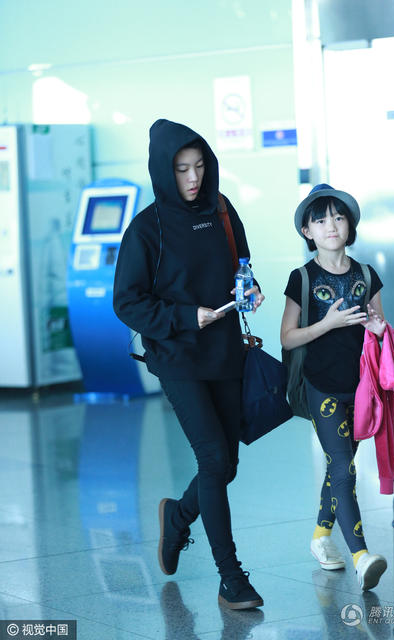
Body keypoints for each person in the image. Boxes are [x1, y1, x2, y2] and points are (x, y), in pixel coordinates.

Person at [113, 119, 265, 609]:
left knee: (227, 465)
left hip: (225, 351)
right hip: (177, 355)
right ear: (164, 171)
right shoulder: (145, 229)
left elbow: (242, 267)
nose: (194, 177)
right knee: (214, 460)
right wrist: (184, 316)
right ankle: (231, 578)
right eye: (182, 169)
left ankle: (178, 516)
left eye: (199, 166)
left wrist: (250, 290)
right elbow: (126, 302)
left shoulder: (222, 210)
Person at [280, 184, 387, 591]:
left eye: (339, 217)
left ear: (350, 225)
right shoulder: (302, 278)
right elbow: (288, 337)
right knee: (344, 467)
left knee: (337, 467)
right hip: (321, 386)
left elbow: (379, 329)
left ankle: (321, 537)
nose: (331, 225)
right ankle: (362, 557)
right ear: (307, 231)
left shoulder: (366, 275)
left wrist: (378, 330)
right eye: (321, 219)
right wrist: (327, 324)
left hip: (361, 389)